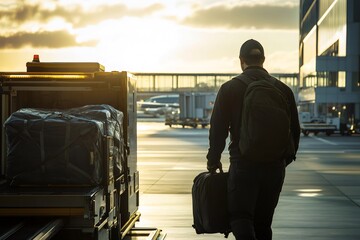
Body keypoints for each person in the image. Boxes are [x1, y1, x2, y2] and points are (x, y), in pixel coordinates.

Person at [206, 39, 301, 240]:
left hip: (243, 165)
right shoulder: (283, 90)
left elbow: (218, 130)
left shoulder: (229, 89)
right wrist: (282, 161)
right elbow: (294, 131)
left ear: (241, 61)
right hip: (275, 168)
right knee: (263, 223)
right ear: (263, 60)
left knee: (241, 218)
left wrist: (213, 160)